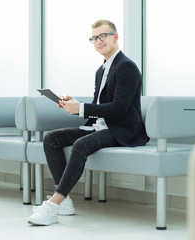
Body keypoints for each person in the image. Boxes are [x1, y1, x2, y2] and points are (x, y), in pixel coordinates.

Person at [27, 19, 149, 226]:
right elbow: (97, 106)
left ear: (115, 37)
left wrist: (82, 107)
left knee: (80, 145)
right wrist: (73, 106)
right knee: (51, 139)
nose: (98, 41)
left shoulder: (126, 67)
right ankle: (65, 202)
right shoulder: (101, 71)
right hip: (102, 126)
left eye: (103, 36)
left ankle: (54, 204)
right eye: (94, 38)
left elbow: (120, 109)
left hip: (123, 129)